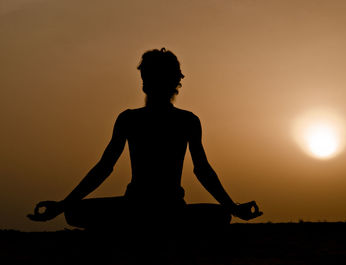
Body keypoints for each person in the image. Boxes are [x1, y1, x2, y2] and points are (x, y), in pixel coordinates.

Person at [27, 48, 262, 230]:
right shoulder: (166, 120)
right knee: (220, 215)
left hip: (155, 209)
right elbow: (105, 167)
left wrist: (232, 207)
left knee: (222, 214)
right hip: (153, 209)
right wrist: (233, 208)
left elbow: (203, 170)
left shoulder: (168, 120)